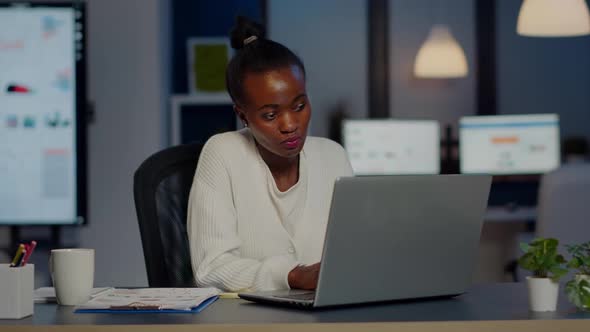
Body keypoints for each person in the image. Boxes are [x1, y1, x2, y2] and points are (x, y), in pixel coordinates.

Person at [187, 16, 353, 292]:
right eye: (270, 114)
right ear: (243, 115)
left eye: (299, 106)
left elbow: (354, 255)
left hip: (327, 315)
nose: (290, 125)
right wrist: (292, 276)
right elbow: (211, 269)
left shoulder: (333, 156)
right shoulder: (222, 153)